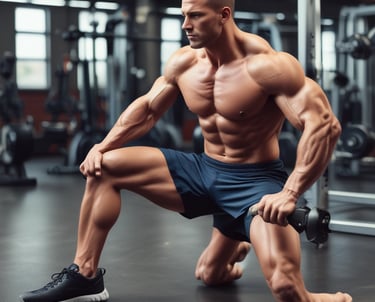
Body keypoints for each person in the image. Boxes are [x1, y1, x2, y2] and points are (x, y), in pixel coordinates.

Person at [20, 0, 352, 301]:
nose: (185, 25)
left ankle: (325, 298)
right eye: (183, 15)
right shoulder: (184, 62)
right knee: (105, 166)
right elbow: (149, 108)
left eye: (194, 15)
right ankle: (85, 275)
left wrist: (290, 193)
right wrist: (102, 146)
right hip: (203, 171)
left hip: (254, 185)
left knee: (282, 287)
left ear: (224, 15)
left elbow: (324, 125)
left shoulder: (268, 66)